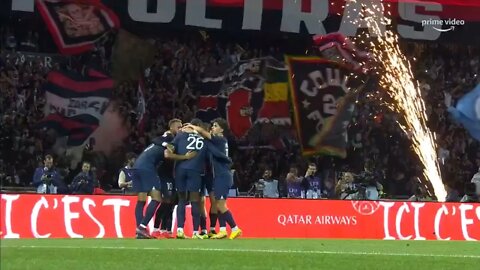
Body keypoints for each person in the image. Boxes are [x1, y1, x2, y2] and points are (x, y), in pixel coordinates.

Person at [133, 127, 196, 239]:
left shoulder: (162, 139)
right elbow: (168, 155)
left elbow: (156, 141)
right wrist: (185, 157)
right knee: (157, 198)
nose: (182, 128)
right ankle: (142, 227)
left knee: (141, 200)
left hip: (137, 165)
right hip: (147, 168)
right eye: (180, 126)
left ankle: (139, 230)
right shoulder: (172, 139)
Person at [187, 118, 242, 240]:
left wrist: (194, 127)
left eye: (215, 126)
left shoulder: (220, 139)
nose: (212, 127)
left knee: (221, 205)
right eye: (212, 125)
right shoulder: (218, 142)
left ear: (221, 129)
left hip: (223, 176)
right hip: (220, 176)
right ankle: (222, 230)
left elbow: (205, 133)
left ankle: (235, 228)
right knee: (218, 204)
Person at [168, 119, 209, 239]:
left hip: (180, 169)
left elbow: (170, 148)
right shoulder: (204, 139)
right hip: (195, 171)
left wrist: (169, 148)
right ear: (199, 126)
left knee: (181, 199)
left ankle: (180, 230)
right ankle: (196, 232)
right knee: (194, 200)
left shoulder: (181, 135)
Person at [151, 119, 182, 239]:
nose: (180, 130)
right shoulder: (168, 136)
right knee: (166, 201)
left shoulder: (177, 138)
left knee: (172, 203)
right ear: (172, 127)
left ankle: (165, 229)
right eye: (178, 127)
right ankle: (155, 229)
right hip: (164, 174)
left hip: (172, 174)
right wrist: (165, 144)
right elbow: (155, 140)